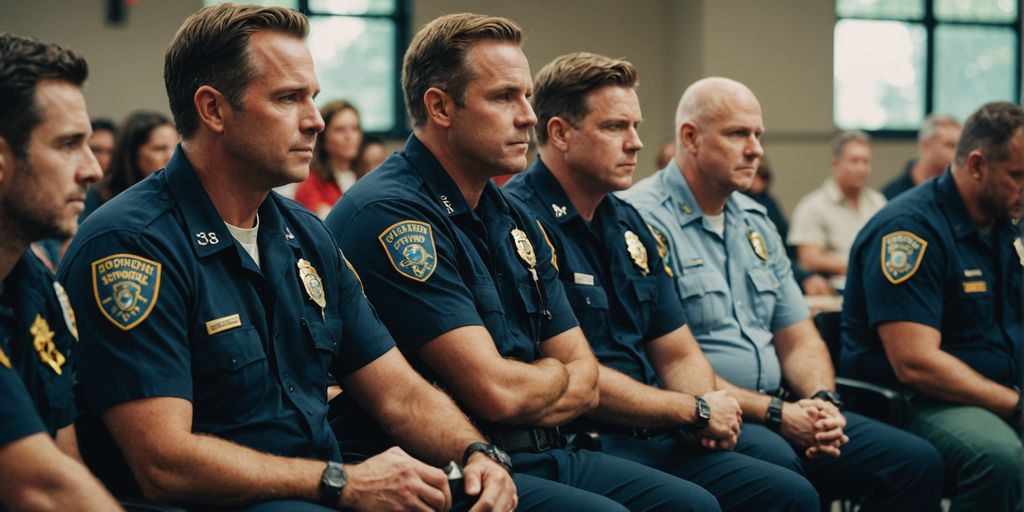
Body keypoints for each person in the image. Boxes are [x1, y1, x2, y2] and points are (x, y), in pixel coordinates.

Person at [58, 5, 515, 510]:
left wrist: (477, 453)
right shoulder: (132, 244)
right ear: (212, 109)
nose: (315, 120)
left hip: (318, 486)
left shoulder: (305, 235)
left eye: (313, 97)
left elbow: (400, 394)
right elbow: (164, 462)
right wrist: (344, 482)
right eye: (288, 98)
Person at [327, 13, 720, 512]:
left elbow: (588, 374)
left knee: (694, 505)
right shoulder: (392, 214)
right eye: (503, 97)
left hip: (549, 450)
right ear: (441, 107)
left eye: (527, 96)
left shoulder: (514, 217)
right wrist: (557, 377)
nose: (528, 116)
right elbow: (497, 393)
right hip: (450, 468)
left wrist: (550, 378)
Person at [504, 51, 819, 511]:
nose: (635, 143)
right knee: (694, 506)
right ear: (560, 134)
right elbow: (571, 376)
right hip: (584, 437)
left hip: (661, 426)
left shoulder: (628, 223)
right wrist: (692, 410)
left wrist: (703, 408)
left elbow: (676, 349)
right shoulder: (519, 223)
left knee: (790, 492)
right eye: (615, 127)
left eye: (635, 125)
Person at [620, 77, 944, 509]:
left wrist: (822, 402)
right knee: (783, 470)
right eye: (738, 134)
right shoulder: (640, 221)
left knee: (916, 461)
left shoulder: (756, 221)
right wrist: (777, 414)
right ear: (690, 138)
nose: (755, 149)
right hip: (712, 416)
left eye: (758, 135)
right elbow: (667, 361)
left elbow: (798, 335)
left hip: (786, 405)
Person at [840, 101, 1024, 511]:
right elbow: (915, 362)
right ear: (977, 166)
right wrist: (1014, 405)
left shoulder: (1003, 223)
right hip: (919, 400)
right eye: (1017, 176)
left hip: (994, 389)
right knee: (998, 456)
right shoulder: (909, 231)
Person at [0, 31, 121, 511]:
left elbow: (66, 463)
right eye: (68, 145)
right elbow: (44, 489)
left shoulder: (39, 287)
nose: (92, 170)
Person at [788, 131, 886, 280]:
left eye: (866, 162)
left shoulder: (878, 202)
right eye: (854, 161)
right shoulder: (813, 207)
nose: (861, 168)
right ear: (836, 163)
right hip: (834, 294)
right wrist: (860, 266)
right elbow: (809, 259)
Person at [742, 157, 831, 297]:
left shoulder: (769, 202)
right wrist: (803, 277)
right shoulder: (738, 204)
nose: (758, 181)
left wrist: (805, 276)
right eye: (754, 172)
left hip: (784, 271)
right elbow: (762, 256)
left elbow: (785, 250)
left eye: (762, 174)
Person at [80, 110, 177, 221]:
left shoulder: (179, 197)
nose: (172, 156)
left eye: (176, 148)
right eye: (159, 149)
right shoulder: (92, 203)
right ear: (132, 153)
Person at [294, 100, 363, 218]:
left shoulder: (364, 175)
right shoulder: (311, 183)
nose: (349, 136)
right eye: (340, 129)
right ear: (323, 138)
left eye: (355, 128)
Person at [882, 113, 961, 200]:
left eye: (959, 146)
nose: (957, 153)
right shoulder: (893, 194)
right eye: (950, 145)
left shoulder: (959, 191)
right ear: (926, 146)